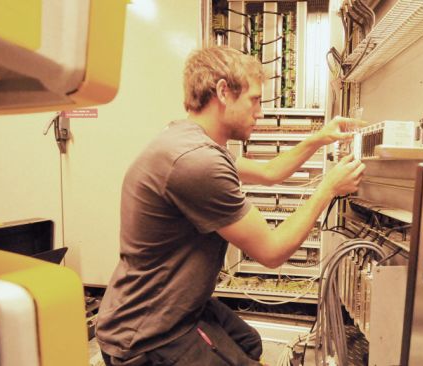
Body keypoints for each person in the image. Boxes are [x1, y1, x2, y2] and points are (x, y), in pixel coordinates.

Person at [96, 46, 365, 366]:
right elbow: (272, 251)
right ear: (223, 91)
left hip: (169, 309)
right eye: (254, 100)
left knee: (247, 342)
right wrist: (328, 189)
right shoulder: (196, 161)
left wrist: (319, 138)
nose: (260, 112)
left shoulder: (189, 140)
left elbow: (269, 172)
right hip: (147, 334)